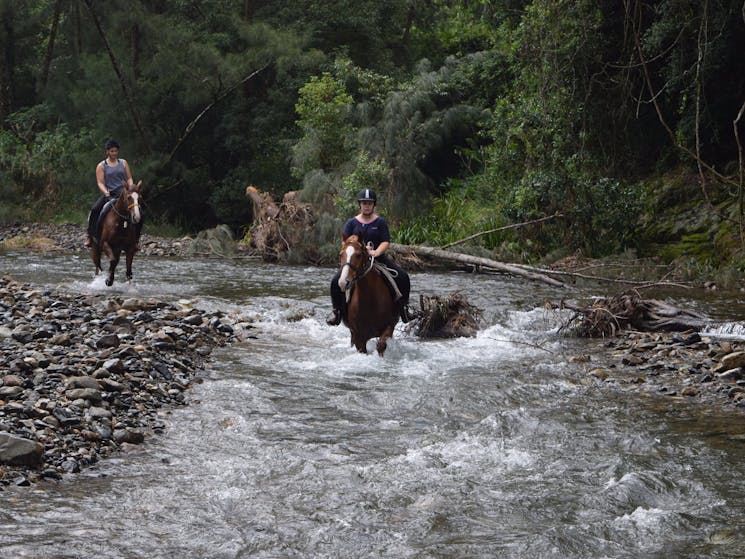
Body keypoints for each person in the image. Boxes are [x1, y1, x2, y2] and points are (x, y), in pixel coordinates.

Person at [327, 188, 415, 326]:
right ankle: (337, 312)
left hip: (377, 259)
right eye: (364, 203)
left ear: (374, 205)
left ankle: (404, 310)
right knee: (335, 281)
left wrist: (375, 252)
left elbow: (386, 241)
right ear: (360, 204)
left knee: (403, 277)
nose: (366, 206)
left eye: (369, 203)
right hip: (356, 261)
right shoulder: (351, 223)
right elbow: (345, 242)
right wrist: (359, 247)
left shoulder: (380, 222)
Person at [84, 139, 139, 247]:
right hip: (110, 194)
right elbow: (100, 182)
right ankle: (91, 236)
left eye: (116, 151)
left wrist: (131, 187)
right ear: (107, 152)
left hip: (124, 193)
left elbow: (129, 178)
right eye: (112, 151)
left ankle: (136, 239)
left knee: (139, 211)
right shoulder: (101, 166)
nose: (114, 153)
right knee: (95, 210)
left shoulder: (123, 163)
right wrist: (105, 192)